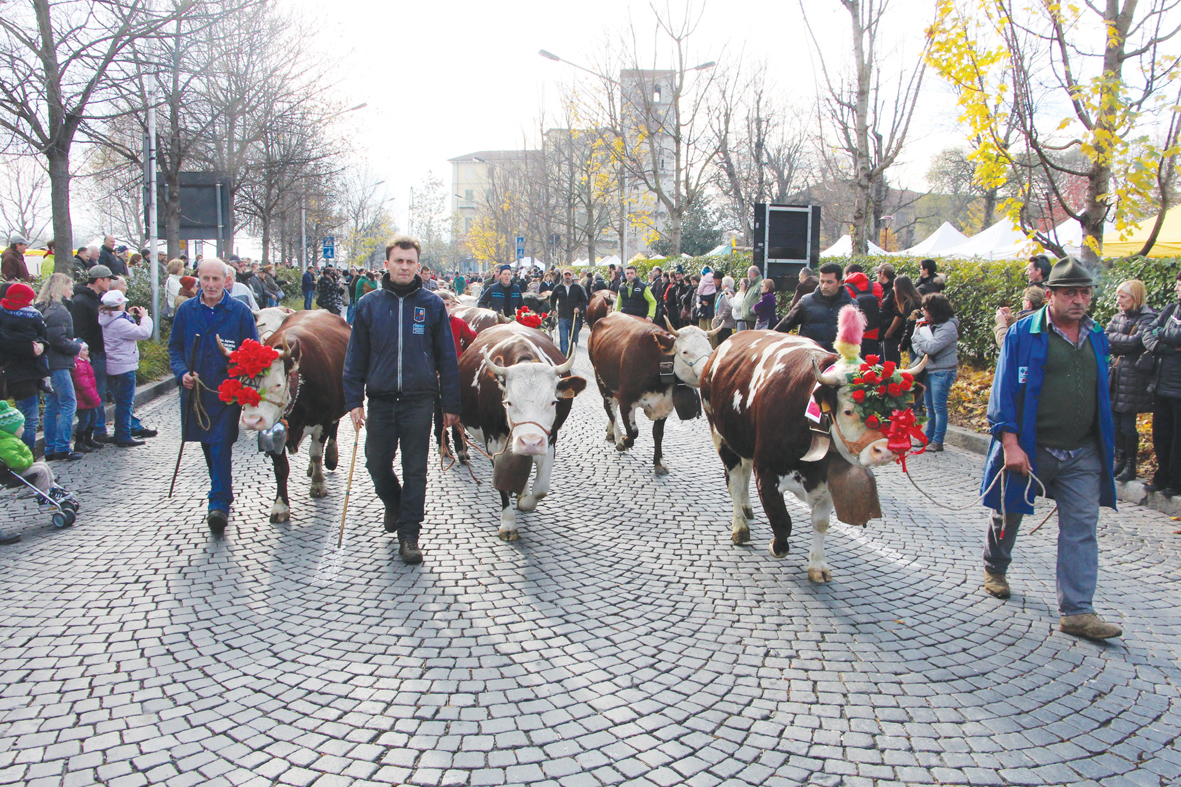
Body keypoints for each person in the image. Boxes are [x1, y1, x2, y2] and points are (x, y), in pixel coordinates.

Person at [981, 257, 1121, 641]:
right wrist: (1010, 443)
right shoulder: (1023, 333)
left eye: (1085, 292)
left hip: (1082, 453)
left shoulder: (1096, 335)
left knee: (1081, 529)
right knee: (1008, 514)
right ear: (1051, 295)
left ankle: (1077, 611)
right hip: (1031, 448)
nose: (1079, 300)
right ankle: (995, 566)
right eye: (1070, 293)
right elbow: (1004, 392)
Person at [343, 235, 461, 565]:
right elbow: (354, 358)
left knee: (416, 471)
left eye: (410, 261)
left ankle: (409, 535)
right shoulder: (369, 305)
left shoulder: (432, 305)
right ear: (387, 264)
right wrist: (353, 400)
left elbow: (447, 358)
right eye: (399, 261)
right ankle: (393, 504)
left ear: (418, 266)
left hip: (419, 401)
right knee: (376, 464)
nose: (405, 266)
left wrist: (451, 405)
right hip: (380, 400)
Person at [169, 259, 259, 534]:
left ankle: (218, 503)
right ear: (198, 279)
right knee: (208, 445)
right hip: (195, 394)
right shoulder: (186, 310)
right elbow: (174, 348)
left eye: (215, 280)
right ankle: (221, 493)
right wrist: (182, 372)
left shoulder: (240, 312)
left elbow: (252, 353)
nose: (210, 285)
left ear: (226, 281)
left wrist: (245, 382)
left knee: (221, 443)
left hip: (227, 394)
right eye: (205, 279)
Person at [1105, 280, 1155, 483]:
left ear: (1135, 298)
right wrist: (1120, 341)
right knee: (1115, 423)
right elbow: (1106, 337)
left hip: (1133, 378)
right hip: (1116, 375)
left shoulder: (1148, 318)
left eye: (1123, 297)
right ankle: (1120, 459)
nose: (1119, 301)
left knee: (1127, 425)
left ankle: (1130, 464)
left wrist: (1117, 341)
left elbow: (1137, 342)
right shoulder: (1118, 317)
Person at [0, 401, 68, 545]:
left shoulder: (9, 440)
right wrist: (27, 461)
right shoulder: (6, 442)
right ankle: (44, 496)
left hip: (17, 468)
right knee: (40, 469)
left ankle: (52, 489)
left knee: (42, 466)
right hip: (15, 471)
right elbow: (15, 461)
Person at [36, 274, 83, 461]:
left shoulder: (40, 307)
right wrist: (76, 347)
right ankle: (62, 446)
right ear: (61, 288)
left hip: (46, 363)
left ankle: (50, 447)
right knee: (68, 403)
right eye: (70, 288)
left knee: (51, 406)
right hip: (58, 363)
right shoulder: (59, 311)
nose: (72, 292)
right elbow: (57, 340)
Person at [1142, 271, 1181, 497]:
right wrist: (1165, 345)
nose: (1176, 289)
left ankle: (1175, 481)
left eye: (1180, 285)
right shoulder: (1169, 310)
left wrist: (1162, 335)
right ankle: (1162, 475)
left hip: (1178, 387)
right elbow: (1148, 332)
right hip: (1162, 383)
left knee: (1178, 438)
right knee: (1161, 435)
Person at [98, 290, 153, 447]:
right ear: (119, 304)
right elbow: (144, 332)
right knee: (125, 403)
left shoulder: (107, 318)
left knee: (120, 401)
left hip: (114, 365)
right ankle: (123, 434)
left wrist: (126, 315)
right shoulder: (119, 323)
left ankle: (122, 432)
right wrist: (145, 318)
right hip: (124, 366)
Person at [0, 282, 51, 452]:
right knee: (29, 420)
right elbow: (8, 344)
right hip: (22, 373)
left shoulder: (31, 316)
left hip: (28, 372)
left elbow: (44, 339)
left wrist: (42, 345)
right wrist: (34, 346)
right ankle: (27, 460)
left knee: (28, 419)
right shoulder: (32, 316)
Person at [911, 293, 959, 452]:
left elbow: (931, 348)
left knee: (939, 407)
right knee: (929, 407)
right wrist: (920, 344)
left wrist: (918, 338)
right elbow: (918, 348)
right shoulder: (929, 324)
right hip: (930, 369)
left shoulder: (948, 327)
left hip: (943, 371)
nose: (923, 311)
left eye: (926, 309)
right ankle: (927, 439)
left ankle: (938, 441)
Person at [774, 262, 853, 351]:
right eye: (822, 281)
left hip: (839, 361)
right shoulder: (806, 302)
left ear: (840, 282)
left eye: (829, 282)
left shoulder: (852, 306)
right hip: (810, 359)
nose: (824, 286)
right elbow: (784, 326)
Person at [843, 263, 883, 358]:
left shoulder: (845, 288)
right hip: (873, 333)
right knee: (870, 366)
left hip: (853, 335)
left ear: (849, 273)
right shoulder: (876, 286)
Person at [882, 274, 921, 364]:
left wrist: (903, 344)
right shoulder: (917, 299)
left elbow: (910, 326)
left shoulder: (909, 304)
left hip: (916, 342)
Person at [71, 342, 102, 454]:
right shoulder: (79, 366)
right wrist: (94, 399)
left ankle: (88, 439)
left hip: (88, 399)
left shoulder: (85, 363)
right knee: (84, 420)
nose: (87, 352)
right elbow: (84, 386)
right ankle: (79, 442)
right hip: (84, 400)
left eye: (87, 350)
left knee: (93, 418)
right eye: (84, 350)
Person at [550, 268, 588, 356]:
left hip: (575, 317)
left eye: (569, 275)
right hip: (562, 317)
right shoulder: (558, 288)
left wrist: (578, 308)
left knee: (574, 340)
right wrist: (553, 309)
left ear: (572, 276)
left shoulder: (578, 288)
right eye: (565, 275)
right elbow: (552, 299)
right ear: (563, 275)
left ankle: (570, 356)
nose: (567, 277)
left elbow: (584, 301)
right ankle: (564, 358)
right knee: (563, 339)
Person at [737, 265, 763, 331]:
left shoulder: (760, 284)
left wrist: (752, 310)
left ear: (752, 273)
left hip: (753, 318)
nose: (748, 275)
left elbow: (762, 300)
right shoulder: (752, 285)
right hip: (748, 318)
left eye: (748, 273)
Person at [712, 275, 736, 344]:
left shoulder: (728, 293)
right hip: (723, 323)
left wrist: (720, 318)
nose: (721, 285)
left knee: (723, 342)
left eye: (722, 283)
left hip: (725, 323)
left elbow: (728, 308)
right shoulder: (724, 293)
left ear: (725, 285)